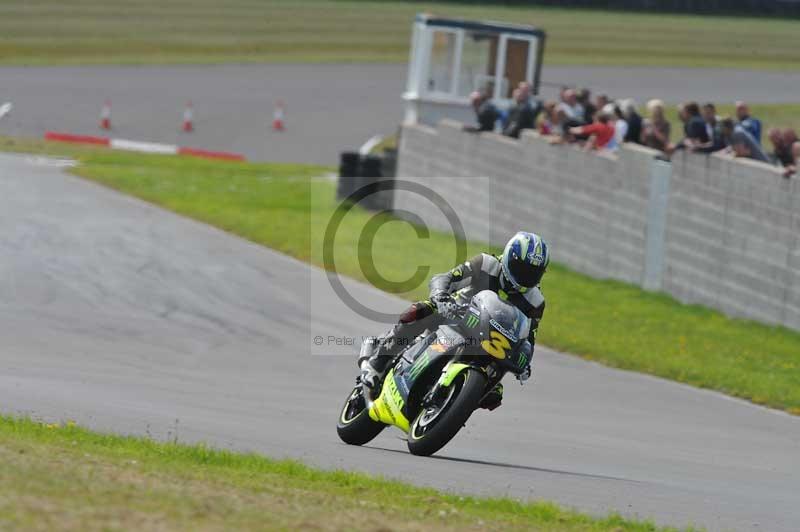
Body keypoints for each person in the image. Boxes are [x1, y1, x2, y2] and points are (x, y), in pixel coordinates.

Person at [358, 232, 549, 410]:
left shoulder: (536, 301)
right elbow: (446, 278)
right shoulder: (486, 264)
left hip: (490, 344)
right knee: (423, 310)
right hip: (457, 316)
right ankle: (378, 362)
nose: (525, 276)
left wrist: (524, 362)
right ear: (508, 257)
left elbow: (528, 339)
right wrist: (440, 296)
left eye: (533, 272)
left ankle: (448, 410)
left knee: (494, 394)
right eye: (521, 269)